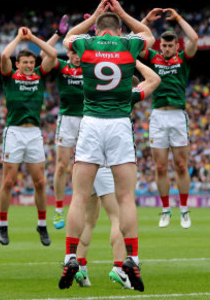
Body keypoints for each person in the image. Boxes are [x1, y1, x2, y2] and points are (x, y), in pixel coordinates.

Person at [57, 0, 152, 292]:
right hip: (120, 123)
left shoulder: (86, 44)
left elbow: (68, 38)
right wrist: (122, 12)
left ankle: (71, 256)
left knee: (79, 197)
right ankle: (132, 260)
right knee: (126, 198)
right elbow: (148, 35)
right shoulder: (128, 44)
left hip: (91, 123)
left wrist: (96, 13)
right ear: (119, 31)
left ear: (97, 30)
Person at [74, 66, 161, 289]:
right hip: (107, 162)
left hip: (87, 157)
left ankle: (81, 266)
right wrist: (133, 61)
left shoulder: (98, 90)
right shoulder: (126, 95)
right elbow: (154, 79)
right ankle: (119, 267)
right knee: (117, 216)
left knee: (89, 219)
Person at [0, 26, 57, 247]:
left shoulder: (40, 75)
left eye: (32, 62)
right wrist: (18, 38)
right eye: (25, 62)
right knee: (9, 181)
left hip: (33, 132)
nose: (29, 65)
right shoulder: (10, 76)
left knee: (40, 182)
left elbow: (51, 54)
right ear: (18, 64)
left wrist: (33, 38)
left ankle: (42, 224)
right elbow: (4, 55)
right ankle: (3, 225)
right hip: (14, 131)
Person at [139, 7, 198, 229]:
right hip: (157, 116)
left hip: (177, 116)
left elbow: (193, 37)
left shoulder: (183, 58)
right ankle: (165, 209)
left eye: (169, 45)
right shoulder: (153, 58)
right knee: (161, 167)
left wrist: (179, 18)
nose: (165, 49)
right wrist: (145, 20)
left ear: (176, 46)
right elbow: (136, 40)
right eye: (163, 45)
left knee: (181, 165)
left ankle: (184, 209)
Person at [41, 15, 81, 230]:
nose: (75, 56)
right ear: (68, 53)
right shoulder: (63, 66)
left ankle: (79, 203)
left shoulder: (92, 65)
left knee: (82, 167)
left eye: (78, 52)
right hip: (67, 119)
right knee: (62, 166)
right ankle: (58, 209)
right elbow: (44, 54)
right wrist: (58, 33)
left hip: (89, 120)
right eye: (72, 53)